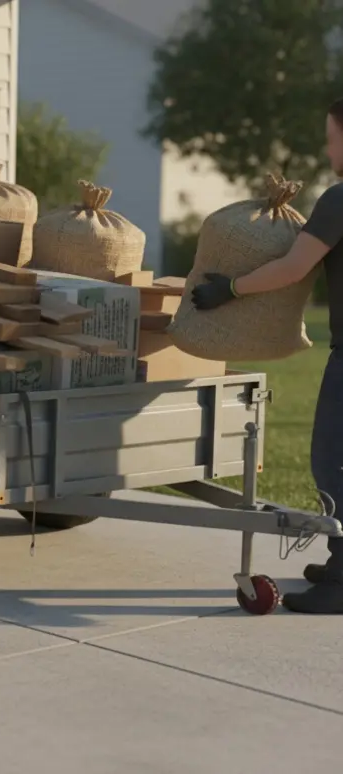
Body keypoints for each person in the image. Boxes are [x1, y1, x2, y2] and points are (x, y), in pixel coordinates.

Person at [190, 98, 343, 614]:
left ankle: (342, 583)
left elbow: (293, 268)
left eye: (332, 136)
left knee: (333, 463)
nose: (328, 148)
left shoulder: (339, 200)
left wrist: (230, 288)